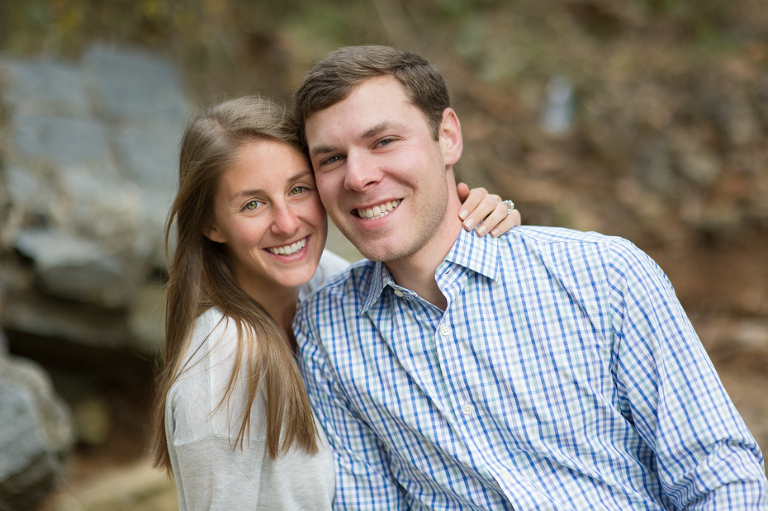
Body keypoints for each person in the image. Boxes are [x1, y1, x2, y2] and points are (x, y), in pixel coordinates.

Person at [292, 45, 768, 510]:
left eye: (384, 141)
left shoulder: (603, 274)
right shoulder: (327, 330)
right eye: (330, 158)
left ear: (448, 137)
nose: (357, 177)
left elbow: (720, 475)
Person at [150, 95, 521, 510]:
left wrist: (477, 219)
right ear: (211, 223)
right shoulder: (219, 370)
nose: (287, 223)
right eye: (252, 204)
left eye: (298, 189)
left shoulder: (323, 277)